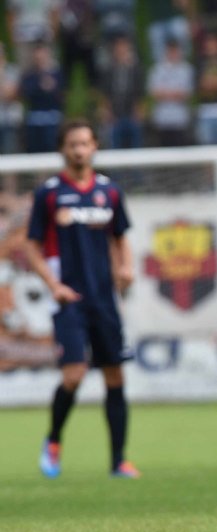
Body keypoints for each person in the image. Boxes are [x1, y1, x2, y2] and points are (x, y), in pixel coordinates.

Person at [23, 119, 140, 479]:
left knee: (114, 375)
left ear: (94, 147)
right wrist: (53, 285)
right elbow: (31, 246)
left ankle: (118, 460)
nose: (79, 150)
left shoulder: (110, 192)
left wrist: (126, 268)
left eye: (85, 143)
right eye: (73, 144)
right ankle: (54, 440)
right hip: (68, 299)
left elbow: (121, 237)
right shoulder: (50, 193)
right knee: (73, 375)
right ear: (63, 149)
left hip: (104, 299)